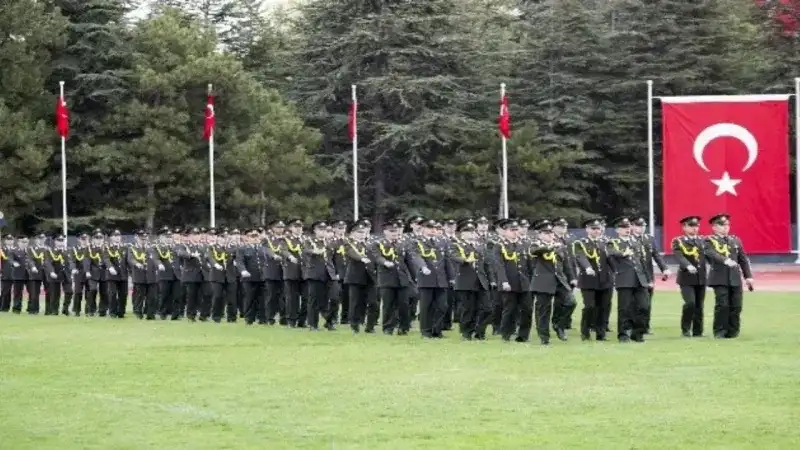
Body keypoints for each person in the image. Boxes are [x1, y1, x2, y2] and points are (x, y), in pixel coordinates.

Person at [704, 214, 753, 339]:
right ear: (714, 227)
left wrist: (748, 276)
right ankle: (720, 331)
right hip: (719, 278)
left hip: (735, 277)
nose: (726, 227)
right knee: (723, 305)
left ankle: (733, 332)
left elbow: (743, 259)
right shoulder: (709, 240)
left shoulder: (735, 240)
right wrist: (725, 260)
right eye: (722, 225)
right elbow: (711, 253)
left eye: (727, 224)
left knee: (737, 305)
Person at [529, 220, 577, 344]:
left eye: (551, 232)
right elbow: (535, 252)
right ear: (540, 234)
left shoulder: (560, 246)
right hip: (543, 281)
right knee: (543, 311)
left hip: (559, 280)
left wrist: (572, 277)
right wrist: (549, 247)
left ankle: (558, 324)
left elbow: (566, 264)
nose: (550, 235)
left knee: (571, 302)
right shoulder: (535, 244)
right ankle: (544, 338)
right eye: (546, 233)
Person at [607, 217, 651, 343]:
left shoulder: (635, 242)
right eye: (623, 227)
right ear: (617, 230)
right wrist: (623, 253)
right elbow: (610, 252)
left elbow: (642, 261)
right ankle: (623, 334)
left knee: (644, 306)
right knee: (624, 308)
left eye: (628, 227)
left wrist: (648, 278)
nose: (627, 229)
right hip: (624, 279)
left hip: (640, 279)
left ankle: (637, 333)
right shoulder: (613, 242)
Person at [449, 220, 493, 340]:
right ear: (462, 234)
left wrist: (491, 279)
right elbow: (453, 256)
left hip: (481, 281)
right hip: (466, 281)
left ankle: (479, 331)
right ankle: (466, 333)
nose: (471, 234)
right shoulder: (457, 245)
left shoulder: (479, 246)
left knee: (487, 308)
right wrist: (464, 260)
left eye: (473, 231)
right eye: (468, 232)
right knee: (468, 309)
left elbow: (486, 264)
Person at [409, 219, 451, 339]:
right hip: (426, 278)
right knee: (426, 307)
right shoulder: (417, 242)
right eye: (429, 228)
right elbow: (416, 256)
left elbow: (446, 260)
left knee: (443, 306)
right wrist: (423, 267)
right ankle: (426, 331)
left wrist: (452, 277)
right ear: (422, 228)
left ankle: (437, 330)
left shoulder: (441, 242)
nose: (433, 230)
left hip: (441, 279)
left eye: (435, 228)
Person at [573, 218, 614, 341]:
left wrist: (618, 272)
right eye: (593, 228)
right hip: (588, 280)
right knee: (589, 307)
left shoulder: (606, 242)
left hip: (605, 279)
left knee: (604, 307)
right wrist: (587, 267)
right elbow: (580, 256)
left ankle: (601, 334)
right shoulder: (581, 243)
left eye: (598, 228)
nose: (596, 231)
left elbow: (611, 258)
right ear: (587, 229)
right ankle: (585, 332)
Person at [493, 219, 533, 343]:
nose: (515, 232)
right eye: (512, 230)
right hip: (509, 283)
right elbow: (499, 266)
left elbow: (530, 265)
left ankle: (523, 335)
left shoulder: (524, 244)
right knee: (510, 310)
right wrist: (504, 281)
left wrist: (533, 281)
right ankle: (506, 334)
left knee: (527, 309)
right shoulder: (499, 246)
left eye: (516, 229)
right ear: (505, 231)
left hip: (524, 282)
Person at [373, 220, 413, 335]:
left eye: (396, 231)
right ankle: (388, 328)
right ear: (385, 232)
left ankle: (403, 327)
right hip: (387, 279)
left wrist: (414, 276)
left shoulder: (403, 244)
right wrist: (385, 262)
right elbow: (377, 256)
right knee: (388, 305)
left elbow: (409, 261)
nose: (394, 233)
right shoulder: (378, 244)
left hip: (402, 278)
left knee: (404, 305)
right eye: (391, 231)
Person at [632, 216, 670, 333]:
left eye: (643, 226)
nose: (641, 228)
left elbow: (656, 255)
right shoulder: (629, 239)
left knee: (647, 302)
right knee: (634, 303)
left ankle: (645, 326)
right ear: (633, 226)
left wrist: (664, 268)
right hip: (634, 276)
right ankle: (632, 326)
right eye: (639, 226)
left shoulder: (649, 239)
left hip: (648, 275)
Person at [671, 216, 707, 337]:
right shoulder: (678, 241)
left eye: (696, 226)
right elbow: (679, 256)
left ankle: (698, 331)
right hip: (686, 278)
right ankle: (685, 328)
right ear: (684, 227)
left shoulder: (703, 240)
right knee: (690, 303)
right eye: (691, 226)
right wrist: (688, 265)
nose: (695, 228)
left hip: (700, 277)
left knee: (699, 305)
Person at [302, 221, 338, 331]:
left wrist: (336, 272)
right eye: (320, 229)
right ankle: (313, 324)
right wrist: (314, 251)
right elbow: (305, 250)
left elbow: (334, 258)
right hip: (315, 273)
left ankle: (329, 319)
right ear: (315, 230)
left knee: (334, 298)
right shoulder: (309, 241)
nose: (323, 232)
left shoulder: (329, 242)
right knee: (314, 300)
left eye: (324, 229)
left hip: (329, 274)